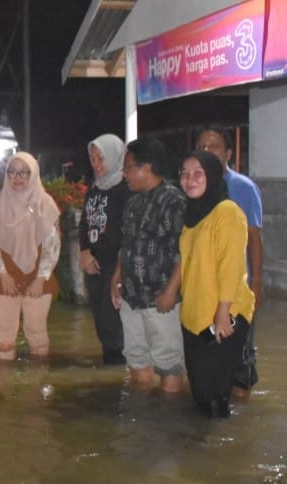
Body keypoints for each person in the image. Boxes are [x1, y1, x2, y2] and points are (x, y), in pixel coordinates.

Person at [178, 150, 255, 418]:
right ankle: (201, 452)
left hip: (224, 316)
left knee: (214, 392)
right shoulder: (191, 216)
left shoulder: (227, 212)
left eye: (198, 173)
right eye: (185, 174)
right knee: (200, 394)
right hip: (194, 316)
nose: (190, 179)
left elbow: (232, 265)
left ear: (211, 175)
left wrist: (223, 312)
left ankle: (221, 452)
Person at [109, 137, 186, 393]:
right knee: (136, 358)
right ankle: (142, 416)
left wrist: (171, 291)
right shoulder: (133, 203)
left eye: (129, 167)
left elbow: (185, 252)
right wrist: (116, 279)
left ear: (147, 167)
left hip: (160, 297)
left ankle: (167, 420)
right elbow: (127, 245)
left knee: (168, 364)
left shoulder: (174, 201)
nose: (125, 173)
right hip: (131, 296)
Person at [195, 126, 263, 397]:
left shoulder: (244, 188)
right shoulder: (193, 188)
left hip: (236, 293)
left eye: (214, 146)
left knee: (238, 365)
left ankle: (241, 428)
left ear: (229, 153)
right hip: (202, 293)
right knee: (206, 358)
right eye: (202, 146)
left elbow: (254, 238)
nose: (208, 151)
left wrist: (257, 283)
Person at [0, 152, 60, 361]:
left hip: (39, 273)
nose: (18, 178)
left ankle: (35, 388)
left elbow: (52, 245)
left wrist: (40, 278)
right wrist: (2, 274)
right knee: (4, 338)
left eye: (24, 173)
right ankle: (5, 388)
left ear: (34, 174)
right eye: (12, 172)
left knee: (37, 334)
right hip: (4, 271)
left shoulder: (46, 204)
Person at [78, 134, 131, 365]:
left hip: (116, 263)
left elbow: (126, 230)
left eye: (101, 158)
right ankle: (110, 370)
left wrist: (115, 263)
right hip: (94, 264)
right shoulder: (96, 187)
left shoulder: (126, 188)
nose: (96, 164)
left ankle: (118, 373)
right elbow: (85, 222)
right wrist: (85, 250)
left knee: (113, 322)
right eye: (92, 159)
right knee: (101, 322)